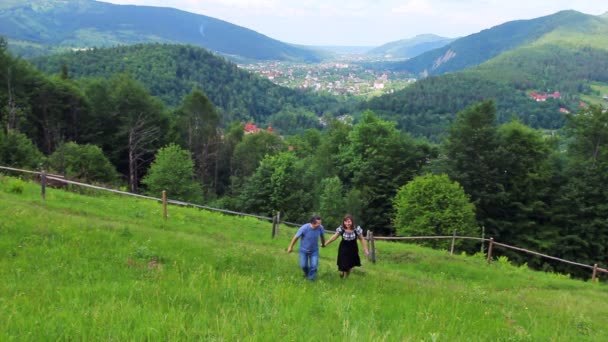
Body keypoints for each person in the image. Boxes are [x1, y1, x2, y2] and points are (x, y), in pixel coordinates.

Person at [287, 215, 326, 281]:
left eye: (320, 223)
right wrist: (290, 247)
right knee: (303, 266)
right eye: (318, 223)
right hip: (303, 250)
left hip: (314, 251)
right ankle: (307, 273)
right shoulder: (304, 228)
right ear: (313, 223)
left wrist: (323, 243)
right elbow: (296, 237)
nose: (320, 225)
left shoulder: (320, 228)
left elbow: (322, 236)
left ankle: (310, 279)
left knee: (314, 266)